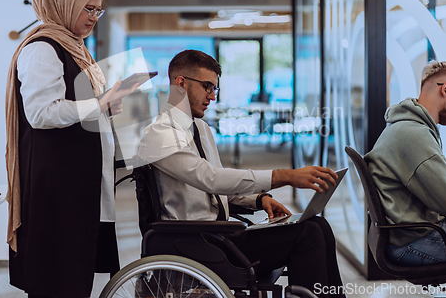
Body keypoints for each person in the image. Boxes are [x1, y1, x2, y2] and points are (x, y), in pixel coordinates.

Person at [138, 50, 345, 298]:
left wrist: (259, 200)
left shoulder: (200, 127)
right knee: (308, 235)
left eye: (214, 88)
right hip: (198, 242)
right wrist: (285, 176)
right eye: (207, 87)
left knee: (317, 225)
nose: (212, 96)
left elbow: (214, 186)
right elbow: (210, 178)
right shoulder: (160, 133)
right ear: (180, 83)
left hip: (221, 235)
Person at [5, 0, 138, 298]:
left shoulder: (75, 46)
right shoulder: (42, 48)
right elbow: (41, 113)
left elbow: (78, 106)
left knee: (75, 272)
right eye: (87, 8)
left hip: (76, 180)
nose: (94, 16)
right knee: (58, 276)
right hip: (58, 186)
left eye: (98, 9)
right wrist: (99, 104)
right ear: (62, 2)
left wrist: (106, 106)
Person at [366, 60, 446, 266]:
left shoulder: (406, 127)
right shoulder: (414, 134)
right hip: (413, 242)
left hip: (407, 235)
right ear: (445, 89)